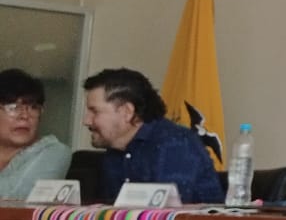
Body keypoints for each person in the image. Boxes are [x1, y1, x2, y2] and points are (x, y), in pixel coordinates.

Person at [82, 67, 224, 205]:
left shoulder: (176, 144)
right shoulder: (115, 150)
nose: (86, 121)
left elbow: (168, 212)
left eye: (94, 111)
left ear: (127, 112)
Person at [0, 69, 71, 200]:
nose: (25, 116)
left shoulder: (55, 152)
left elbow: (14, 196)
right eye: (13, 107)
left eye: (33, 107)